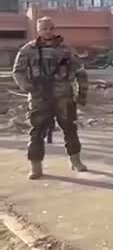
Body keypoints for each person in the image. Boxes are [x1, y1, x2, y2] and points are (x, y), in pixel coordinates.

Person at [13, 16, 88, 179]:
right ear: (38, 30)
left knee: (70, 130)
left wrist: (82, 95)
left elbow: (81, 72)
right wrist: (28, 87)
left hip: (64, 97)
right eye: (44, 28)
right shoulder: (28, 50)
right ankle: (36, 167)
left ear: (55, 29)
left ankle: (75, 161)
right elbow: (18, 71)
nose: (47, 31)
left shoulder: (66, 50)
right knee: (36, 132)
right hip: (39, 97)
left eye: (50, 28)